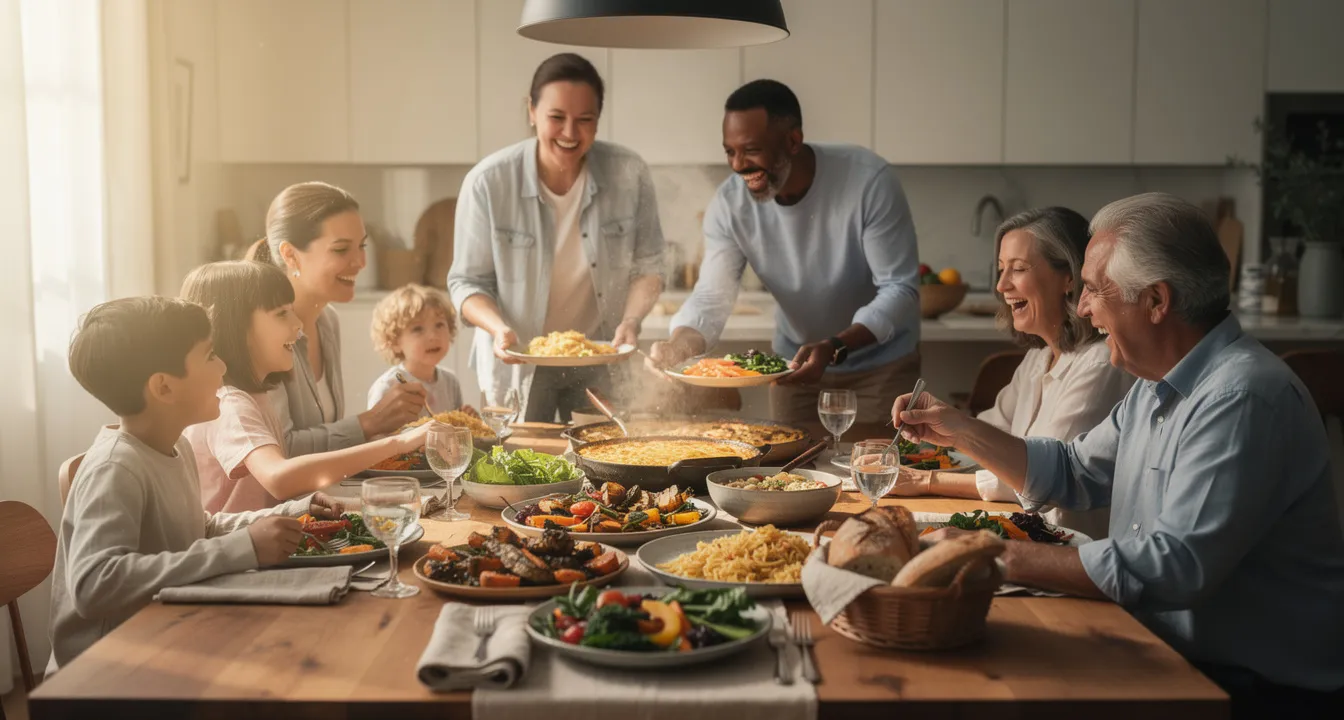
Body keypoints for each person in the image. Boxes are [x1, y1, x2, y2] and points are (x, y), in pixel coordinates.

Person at [893, 193, 1344, 720]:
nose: (1081, 309)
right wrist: (958, 430)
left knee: (985, 719)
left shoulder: (1241, 398)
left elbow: (1174, 566)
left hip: (1258, 693)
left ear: (1156, 301)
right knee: (963, 687)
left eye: (1094, 289)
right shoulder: (1157, 387)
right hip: (1170, 651)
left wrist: (995, 555)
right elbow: (1075, 471)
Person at [51, 296, 366, 720]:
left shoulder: (172, 445)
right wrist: (245, 548)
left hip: (163, 658)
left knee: (341, 710)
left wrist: (289, 516)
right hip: (108, 694)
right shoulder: (115, 468)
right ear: (163, 386)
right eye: (209, 355)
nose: (223, 367)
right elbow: (96, 584)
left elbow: (197, 528)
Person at [648, 79, 920, 424]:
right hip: (793, 366)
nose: (737, 165)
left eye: (750, 150)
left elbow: (900, 289)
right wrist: (678, 346)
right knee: (789, 473)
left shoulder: (868, 181)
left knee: (875, 469)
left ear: (793, 141)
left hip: (881, 368)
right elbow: (711, 297)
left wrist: (835, 346)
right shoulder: (730, 204)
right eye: (729, 151)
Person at [891, 207, 1133, 541]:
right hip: (1029, 532)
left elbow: (1041, 480)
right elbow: (990, 435)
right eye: (1002, 269)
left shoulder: (1098, 364)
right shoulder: (1039, 357)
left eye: (1018, 269)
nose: (1002, 285)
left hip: (1069, 548)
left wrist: (923, 481)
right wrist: (931, 428)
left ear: (1069, 278)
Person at [448, 53, 665, 422]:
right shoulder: (488, 182)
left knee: (601, 460)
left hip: (598, 353)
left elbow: (649, 266)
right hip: (517, 359)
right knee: (520, 466)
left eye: (585, 120)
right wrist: (499, 329)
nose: (570, 133)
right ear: (531, 110)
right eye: (556, 117)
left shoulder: (630, 172)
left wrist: (631, 321)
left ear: (598, 121)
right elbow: (467, 282)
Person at [182, 261, 432, 514]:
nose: (298, 325)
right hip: (238, 551)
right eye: (281, 314)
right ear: (236, 326)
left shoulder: (258, 396)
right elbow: (280, 479)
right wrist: (400, 443)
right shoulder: (232, 405)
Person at [246, 181, 427, 453]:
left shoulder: (327, 320)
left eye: (362, 246)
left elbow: (325, 437)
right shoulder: (263, 332)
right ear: (291, 255)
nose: (360, 262)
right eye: (341, 250)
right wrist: (370, 422)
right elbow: (282, 449)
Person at [367, 284, 468, 415]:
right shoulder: (388, 387)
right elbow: (374, 433)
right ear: (394, 341)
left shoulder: (450, 383)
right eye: (418, 329)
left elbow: (456, 430)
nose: (433, 336)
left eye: (439, 325)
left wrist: (467, 420)